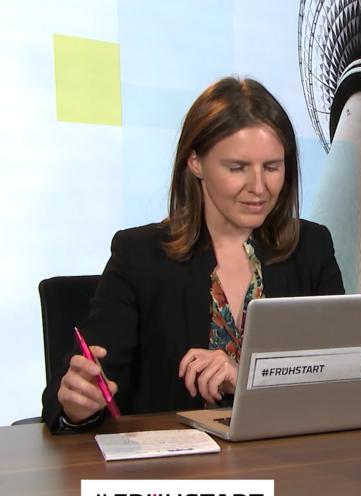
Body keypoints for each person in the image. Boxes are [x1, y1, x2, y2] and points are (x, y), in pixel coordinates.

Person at [42, 76, 345, 432]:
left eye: (272, 167)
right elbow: (73, 389)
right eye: (237, 168)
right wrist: (77, 402)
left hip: (291, 459)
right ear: (196, 162)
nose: (259, 187)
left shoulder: (311, 247)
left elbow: (342, 375)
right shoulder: (139, 256)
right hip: (177, 462)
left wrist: (244, 379)